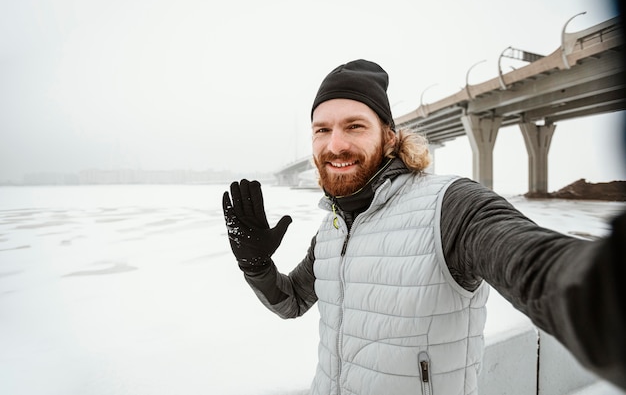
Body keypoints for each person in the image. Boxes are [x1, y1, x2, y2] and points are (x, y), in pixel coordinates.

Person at [222, 59, 626, 394]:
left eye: (355, 126)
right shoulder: (332, 227)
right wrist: (255, 264)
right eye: (321, 129)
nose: (335, 145)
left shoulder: (450, 206)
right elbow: (292, 302)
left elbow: (542, 269)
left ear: (390, 136)